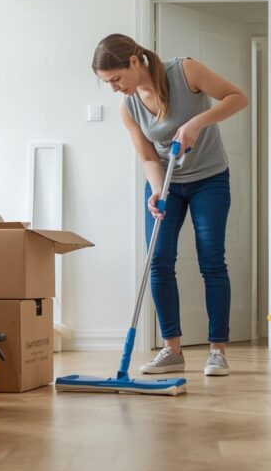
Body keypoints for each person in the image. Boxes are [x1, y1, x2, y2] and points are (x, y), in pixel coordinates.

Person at [91, 33, 248, 376]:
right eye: (108, 83)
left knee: (211, 258)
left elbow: (239, 98)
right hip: (168, 183)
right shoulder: (128, 107)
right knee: (158, 260)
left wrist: (197, 122)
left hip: (210, 177)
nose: (115, 88)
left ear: (134, 61)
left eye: (116, 79)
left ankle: (217, 350)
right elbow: (147, 156)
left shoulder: (185, 71)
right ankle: (172, 349)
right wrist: (157, 189)